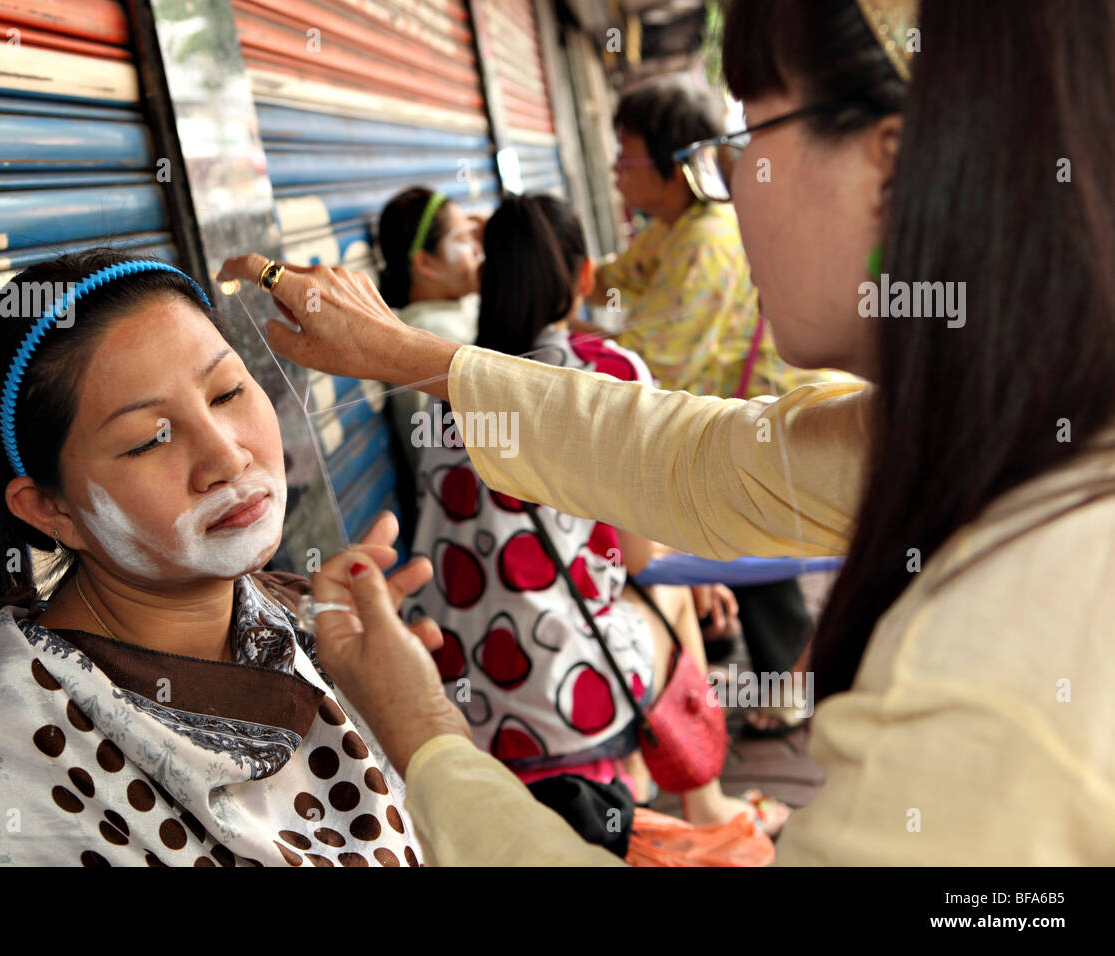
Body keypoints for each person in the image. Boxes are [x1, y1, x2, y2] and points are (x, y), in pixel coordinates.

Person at [218, 0, 1115, 865]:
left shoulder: (998, 658)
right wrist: (413, 356)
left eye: (747, 141)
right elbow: (697, 457)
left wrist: (425, 736)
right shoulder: (1016, 435)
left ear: (889, 165)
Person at [0, 247, 429, 867]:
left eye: (227, 393)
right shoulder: (6, 775)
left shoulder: (313, 625)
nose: (227, 458)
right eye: (150, 439)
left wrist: (411, 718)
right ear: (49, 510)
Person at [408, 191, 788, 835]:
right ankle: (707, 804)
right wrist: (703, 574)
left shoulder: (448, 396)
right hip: (562, 689)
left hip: (459, 691)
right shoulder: (607, 369)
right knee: (670, 598)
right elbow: (640, 558)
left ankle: (636, 776)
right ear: (584, 277)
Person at [588, 76, 842, 730]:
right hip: (744, 428)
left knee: (759, 552)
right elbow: (613, 276)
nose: (616, 168)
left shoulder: (704, 238)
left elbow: (659, 357)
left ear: (673, 161)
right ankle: (781, 679)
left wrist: (560, 344)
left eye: (625, 151)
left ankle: (793, 689)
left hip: (771, 426)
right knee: (751, 553)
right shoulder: (670, 230)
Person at [376, 188, 484, 472]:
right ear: (425, 262)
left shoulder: (456, 309)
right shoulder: (425, 339)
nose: (477, 250)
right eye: (462, 239)